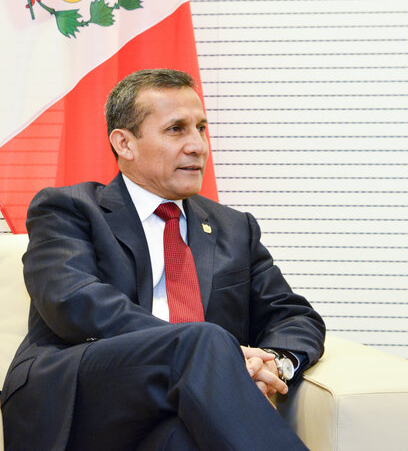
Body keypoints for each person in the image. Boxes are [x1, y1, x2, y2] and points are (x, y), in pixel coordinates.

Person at [1, 69, 325, 451]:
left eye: (201, 129)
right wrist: (216, 354)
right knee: (202, 341)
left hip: (182, 406)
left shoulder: (234, 228)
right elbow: (73, 302)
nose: (198, 146)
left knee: (184, 438)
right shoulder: (68, 209)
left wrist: (271, 363)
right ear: (125, 143)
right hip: (82, 396)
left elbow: (293, 317)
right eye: (176, 130)